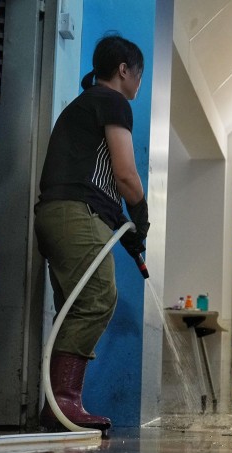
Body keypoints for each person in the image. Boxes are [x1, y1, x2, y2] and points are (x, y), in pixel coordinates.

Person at [34, 35, 150, 432]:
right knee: (98, 297)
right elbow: (125, 175)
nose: (139, 83)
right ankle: (63, 403)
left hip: (58, 215)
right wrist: (140, 214)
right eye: (139, 75)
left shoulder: (82, 106)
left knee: (73, 304)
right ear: (124, 70)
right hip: (75, 215)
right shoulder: (112, 101)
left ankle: (58, 405)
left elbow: (95, 179)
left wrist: (124, 226)